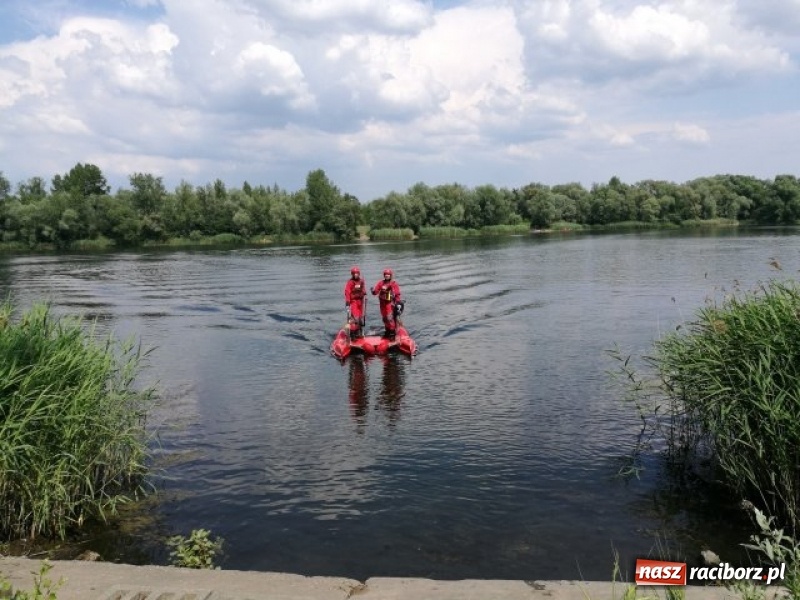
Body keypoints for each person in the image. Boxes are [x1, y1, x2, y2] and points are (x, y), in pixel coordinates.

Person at [371, 268, 404, 340]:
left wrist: (398, 302)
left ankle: (392, 333)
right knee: (384, 318)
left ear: (390, 275)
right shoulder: (381, 283)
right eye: (385, 274)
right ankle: (387, 331)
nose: (387, 276)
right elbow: (376, 291)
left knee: (390, 318)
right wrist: (373, 291)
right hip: (382, 303)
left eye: (388, 275)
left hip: (389, 303)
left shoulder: (393, 283)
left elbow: (397, 294)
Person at [344, 265, 366, 339]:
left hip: (361, 301)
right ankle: (353, 333)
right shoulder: (350, 282)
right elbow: (347, 292)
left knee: (360, 317)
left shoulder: (361, 281)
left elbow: (363, 289)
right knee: (355, 317)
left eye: (356, 273)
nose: (355, 275)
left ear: (359, 274)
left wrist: (364, 292)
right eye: (354, 273)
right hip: (354, 301)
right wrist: (347, 302)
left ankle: (359, 332)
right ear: (352, 274)